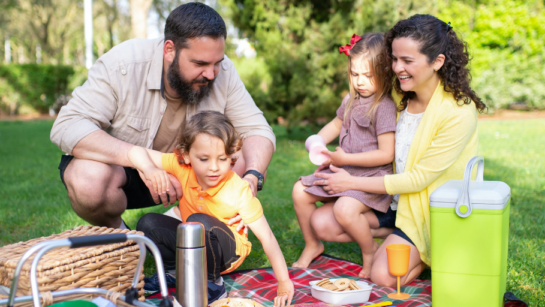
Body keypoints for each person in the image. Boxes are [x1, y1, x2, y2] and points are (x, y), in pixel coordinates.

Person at [50, 2, 274, 230]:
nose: (210, 74)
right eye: (200, 63)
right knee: (86, 179)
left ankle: (188, 227)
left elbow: (258, 131)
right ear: (170, 50)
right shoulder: (123, 63)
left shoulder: (223, 73)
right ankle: (124, 239)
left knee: (248, 153)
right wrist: (137, 157)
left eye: (217, 63)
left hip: (193, 173)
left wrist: (253, 177)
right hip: (128, 172)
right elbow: (67, 125)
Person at [312, 15, 486, 286]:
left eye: (407, 61)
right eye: (394, 59)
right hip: (393, 203)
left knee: (384, 276)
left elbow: (418, 179)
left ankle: (432, 253)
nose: (397, 68)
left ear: (437, 62)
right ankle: (394, 238)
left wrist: (350, 181)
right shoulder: (398, 95)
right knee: (322, 223)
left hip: (426, 212)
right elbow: (352, 117)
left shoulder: (458, 113)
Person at [129, 111, 294, 307]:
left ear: (231, 156)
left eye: (222, 159)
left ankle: (212, 284)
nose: (214, 167)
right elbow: (135, 152)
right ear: (187, 156)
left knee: (199, 221)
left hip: (226, 253)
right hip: (194, 242)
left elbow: (267, 237)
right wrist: (149, 169)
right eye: (204, 159)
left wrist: (284, 282)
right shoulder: (182, 167)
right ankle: (173, 271)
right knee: (147, 222)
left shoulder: (238, 190)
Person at [292, 33, 397, 278]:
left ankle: (369, 250)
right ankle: (312, 244)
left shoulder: (384, 106)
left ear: (384, 72)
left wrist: (345, 159)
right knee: (299, 191)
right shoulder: (351, 99)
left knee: (345, 210)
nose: (360, 81)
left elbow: (386, 153)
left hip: (370, 177)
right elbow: (336, 124)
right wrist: (318, 140)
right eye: (354, 74)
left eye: (368, 75)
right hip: (342, 169)